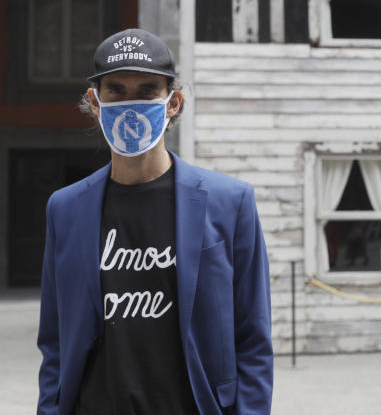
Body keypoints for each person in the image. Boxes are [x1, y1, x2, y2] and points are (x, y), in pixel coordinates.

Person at [37, 28, 273, 415]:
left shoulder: (231, 202)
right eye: (116, 90)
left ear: (173, 102)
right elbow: (55, 341)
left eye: (147, 90)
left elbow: (253, 338)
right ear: (95, 103)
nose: (130, 102)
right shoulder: (64, 209)